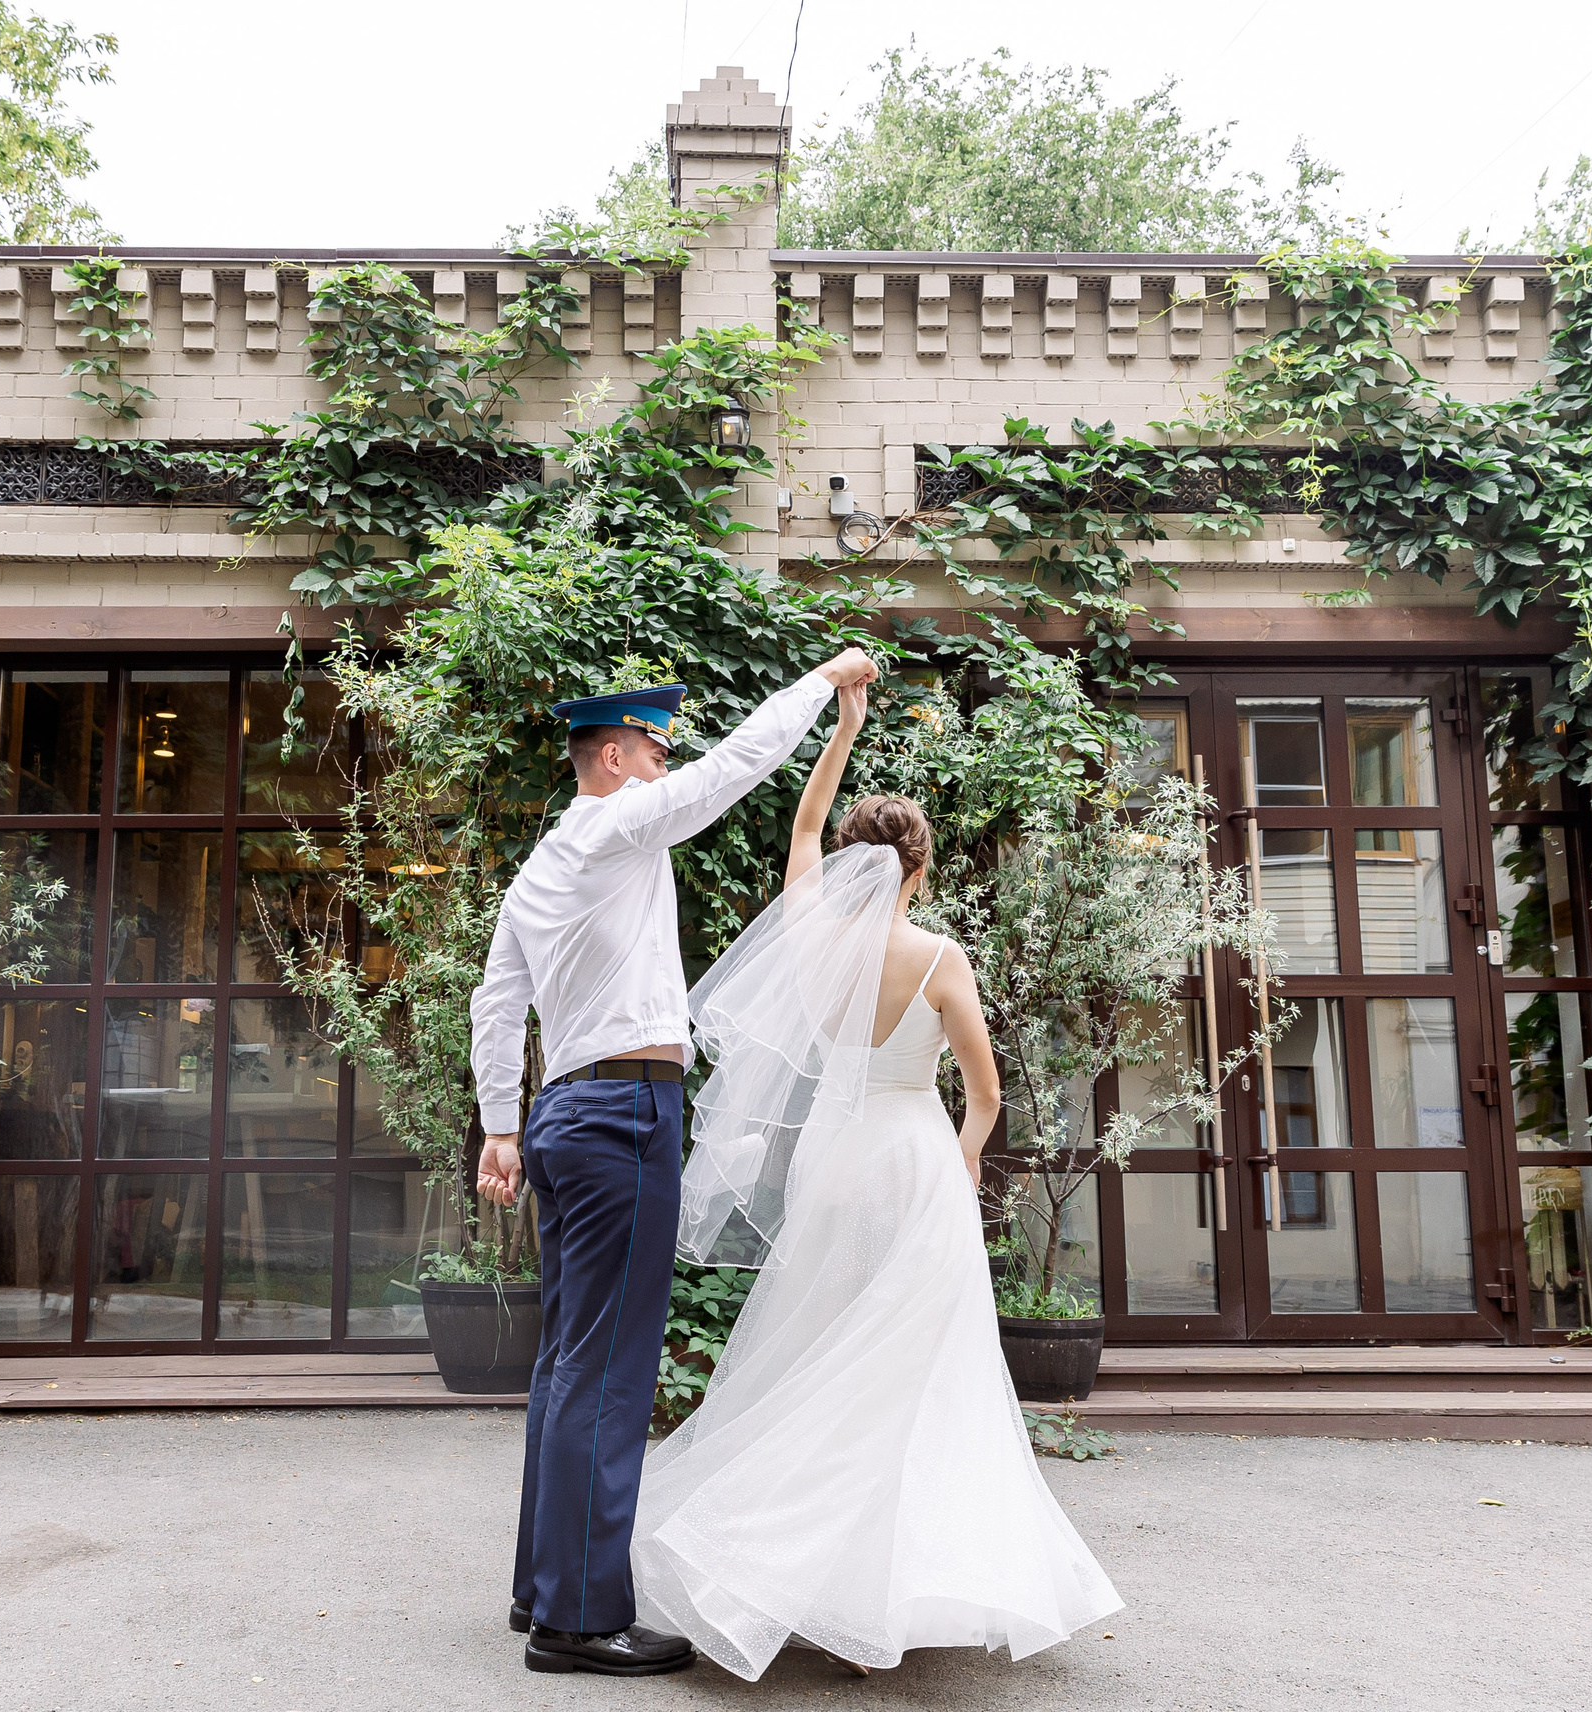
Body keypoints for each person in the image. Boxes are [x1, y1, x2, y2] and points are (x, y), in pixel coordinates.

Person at [627, 677, 1124, 1680]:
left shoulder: (811, 933)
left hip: (831, 1155)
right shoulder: (939, 956)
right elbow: (982, 1095)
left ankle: (800, 1575)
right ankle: (878, 1593)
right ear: (920, 865)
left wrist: (843, 728)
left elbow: (805, 823)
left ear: (851, 860)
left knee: (821, 1347)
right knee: (913, 1369)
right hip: (909, 1158)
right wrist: (966, 1156)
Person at [472, 648, 882, 1677]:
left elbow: (493, 1002)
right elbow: (738, 764)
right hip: (622, 1114)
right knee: (609, 1371)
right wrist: (824, 679)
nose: (667, 764)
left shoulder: (540, 870)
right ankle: (578, 1619)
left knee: (570, 1361)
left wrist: (500, 1125)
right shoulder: (615, 820)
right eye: (655, 748)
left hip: (567, 1111)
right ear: (613, 756)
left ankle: (545, 1589)